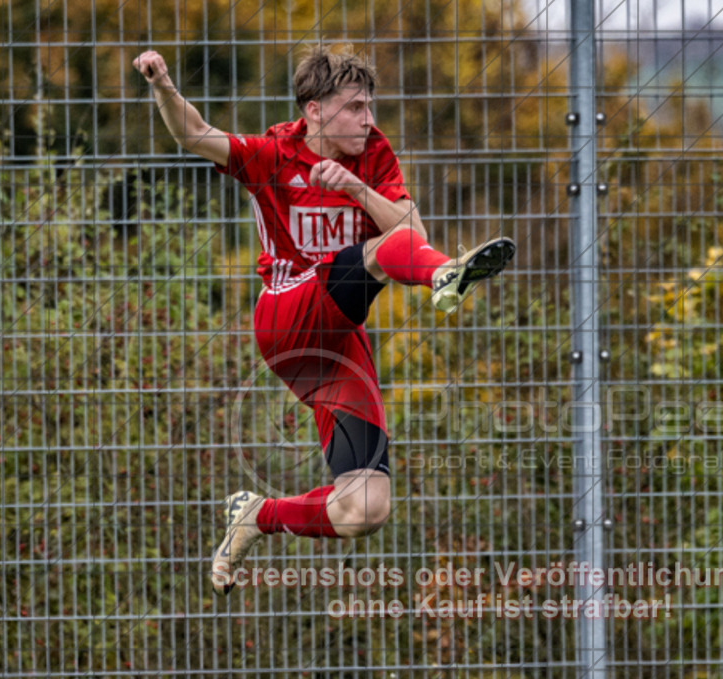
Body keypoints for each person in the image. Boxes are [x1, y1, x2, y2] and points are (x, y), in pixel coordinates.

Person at [132, 45, 515, 594]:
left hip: (338, 342)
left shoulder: (372, 153)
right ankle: (444, 278)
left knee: (364, 509)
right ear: (314, 110)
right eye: (355, 107)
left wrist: (356, 189)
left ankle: (256, 515)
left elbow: (413, 230)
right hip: (286, 316)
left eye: (370, 105)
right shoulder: (273, 155)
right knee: (385, 255)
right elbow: (193, 134)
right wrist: (164, 85)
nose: (368, 119)